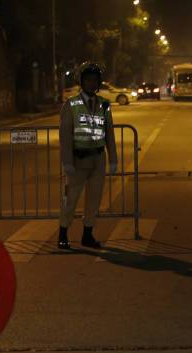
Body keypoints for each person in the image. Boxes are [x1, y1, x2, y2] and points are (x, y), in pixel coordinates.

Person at [58, 62, 118, 249]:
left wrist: (113, 159)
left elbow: (109, 132)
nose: (92, 83)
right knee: (71, 199)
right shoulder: (71, 104)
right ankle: (63, 233)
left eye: (95, 80)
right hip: (77, 161)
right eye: (88, 80)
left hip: (98, 159)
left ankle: (87, 234)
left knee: (94, 199)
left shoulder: (104, 105)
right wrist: (67, 162)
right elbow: (65, 136)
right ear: (82, 82)